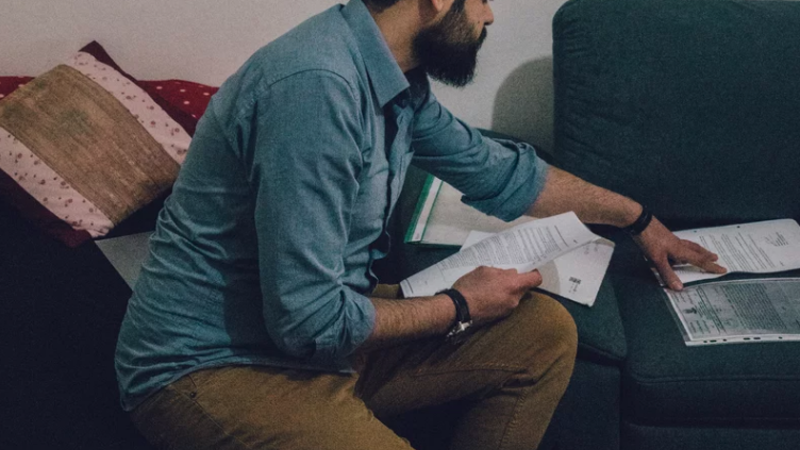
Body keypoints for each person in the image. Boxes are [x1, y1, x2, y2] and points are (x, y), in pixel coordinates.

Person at [115, 0, 726, 449]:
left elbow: (502, 173)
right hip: (216, 367)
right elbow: (307, 322)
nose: (489, 16)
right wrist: (459, 305)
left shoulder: (393, 78)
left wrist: (639, 220)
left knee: (542, 332)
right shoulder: (316, 89)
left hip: (321, 335)